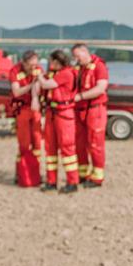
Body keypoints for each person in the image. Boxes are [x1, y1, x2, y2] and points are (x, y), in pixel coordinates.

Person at [38, 49, 80, 194]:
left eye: (51, 61)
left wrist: (39, 77)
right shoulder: (56, 73)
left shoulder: (66, 73)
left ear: (57, 62)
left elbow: (46, 85)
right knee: (50, 148)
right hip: (52, 112)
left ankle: (72, 182)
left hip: (63, 114)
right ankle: (51, 181)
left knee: (67, 148)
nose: (49, 63)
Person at [71, 43, 109, 188]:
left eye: (77, 56)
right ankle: (83, 174)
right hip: (79, 110)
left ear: (85, 52)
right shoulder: (78, 68)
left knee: (95, 143)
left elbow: (100, 88)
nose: (76, 59)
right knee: (79, 144)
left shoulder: (99, 66)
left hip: (95, 109)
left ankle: (97, 177)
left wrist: (80, 96)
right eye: (74, 57)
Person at [8, 50, 43, 187]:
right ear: (24, 63)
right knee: (24, 143)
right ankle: (20, 173)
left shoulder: (38, 69)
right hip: (21, 108)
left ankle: (35, 173)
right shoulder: (15, 71)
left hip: (34, 108)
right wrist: (31, 85)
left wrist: (35, 96)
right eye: (31, 65)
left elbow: (38, 88)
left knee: (37, 142)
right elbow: (16, 92)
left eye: (35, 65)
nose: (33, 68)